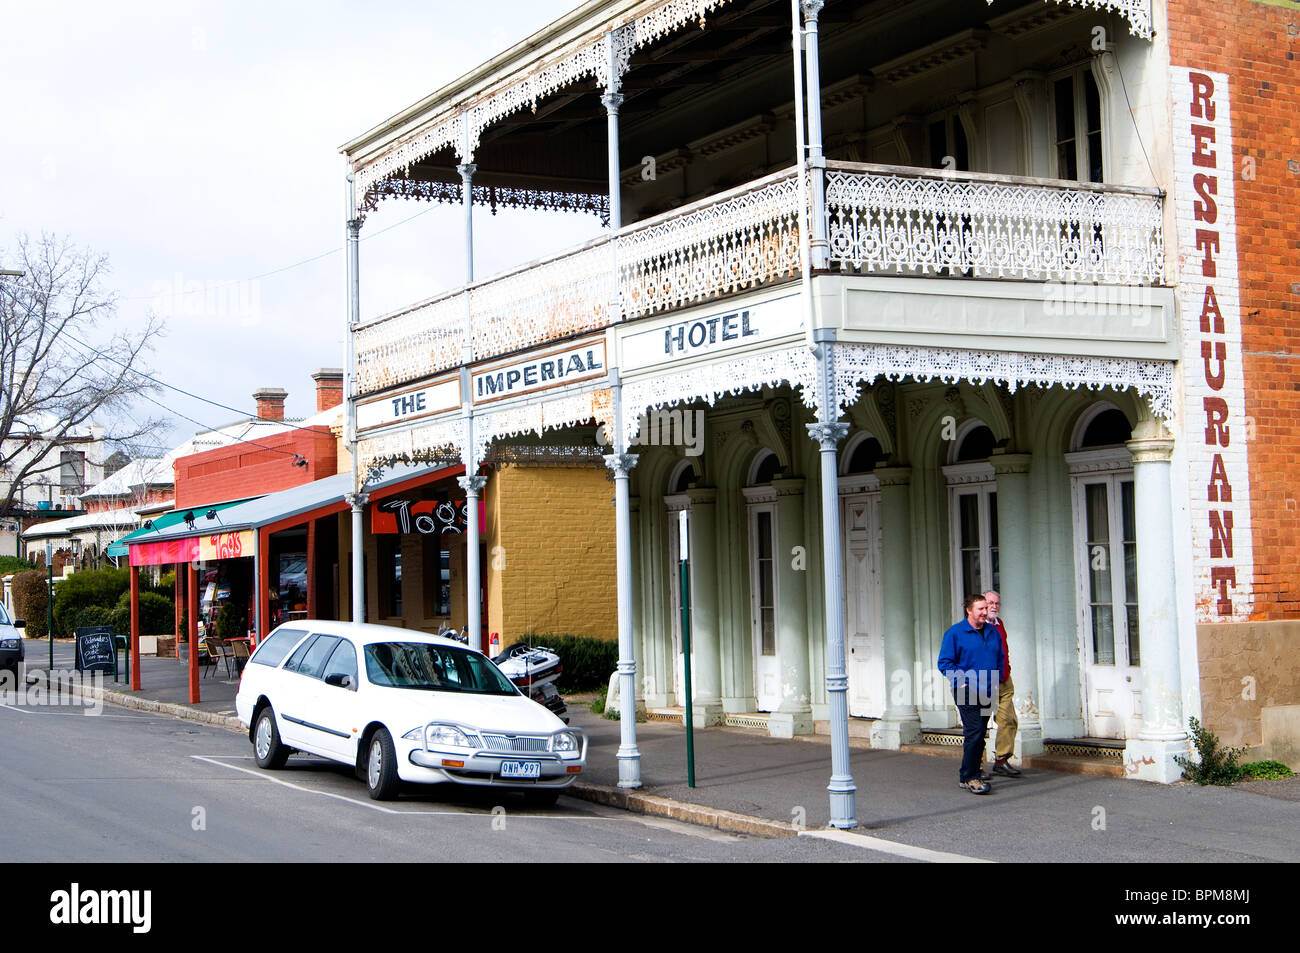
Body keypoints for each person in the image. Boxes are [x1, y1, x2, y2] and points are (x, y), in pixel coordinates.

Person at [937, 593, 1005, 795]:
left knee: (979, 734)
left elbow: (999, 657)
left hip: (987, 688)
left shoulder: (993, 632)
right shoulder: (955, 633)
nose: (985, 612)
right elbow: (944, 662)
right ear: (969, 610)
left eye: (986, 608)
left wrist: (997, 679)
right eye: (981, 609)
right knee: (974, 732)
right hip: (965, 690)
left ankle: (971, 771)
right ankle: (970, 777)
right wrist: (962, 681)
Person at [984, 590, 1022, 778]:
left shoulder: (1000, 624)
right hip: (986, 680)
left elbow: (1003, 650)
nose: (994, 606)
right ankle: (973, 767)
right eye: (990, 603)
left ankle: (1001, 760)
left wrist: (1007, 669)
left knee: (1009, 720)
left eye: (997, 603)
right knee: (978, 726)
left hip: (1004, 679)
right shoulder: (978, 626)